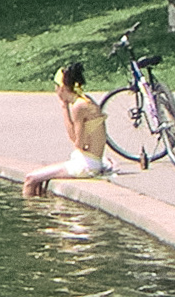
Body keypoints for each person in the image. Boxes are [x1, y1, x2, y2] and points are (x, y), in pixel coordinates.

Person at [24, 61, 112, 196]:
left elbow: (78, 142)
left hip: (87, 164)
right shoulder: (85, 100)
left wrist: (64, 108)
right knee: (40, 179)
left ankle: (29, 214)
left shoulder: (79, 106)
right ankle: (37, 207)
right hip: (90, 160)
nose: (55, 90)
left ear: (63, 88)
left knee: (30, 179)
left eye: (56, 86)